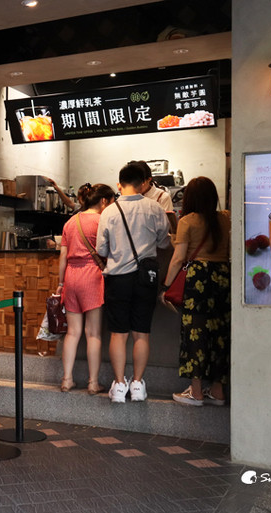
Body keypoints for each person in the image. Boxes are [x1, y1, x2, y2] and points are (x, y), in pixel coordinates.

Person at [96, 163, 171, 404]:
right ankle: (137, 384)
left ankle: (119, 385)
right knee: (141, 333)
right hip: (145, 279)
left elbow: (101, 249)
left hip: (118, 278)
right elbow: (164, 243)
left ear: (119, 184)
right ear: (144, 183)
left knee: (118, 334)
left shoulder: (109, 212)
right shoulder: (154, 208)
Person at [158, 177, 230, 407]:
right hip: (223, 277)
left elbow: (178, 258)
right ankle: (218, 391)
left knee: (195, 333)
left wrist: (166, 286)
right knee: (220, 334)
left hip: (198, 278)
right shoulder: (226, 218)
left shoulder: (187, 221)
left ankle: (196, 392)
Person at [55, 183, 116, 394]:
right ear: (104, 201)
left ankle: (66, 380)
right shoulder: (102, 221)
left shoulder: (70, 222)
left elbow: (63, 256)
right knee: (93, 333)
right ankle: (93, 383)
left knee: (72, 333)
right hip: (92, 276)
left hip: (71, 276)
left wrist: (61, 283)